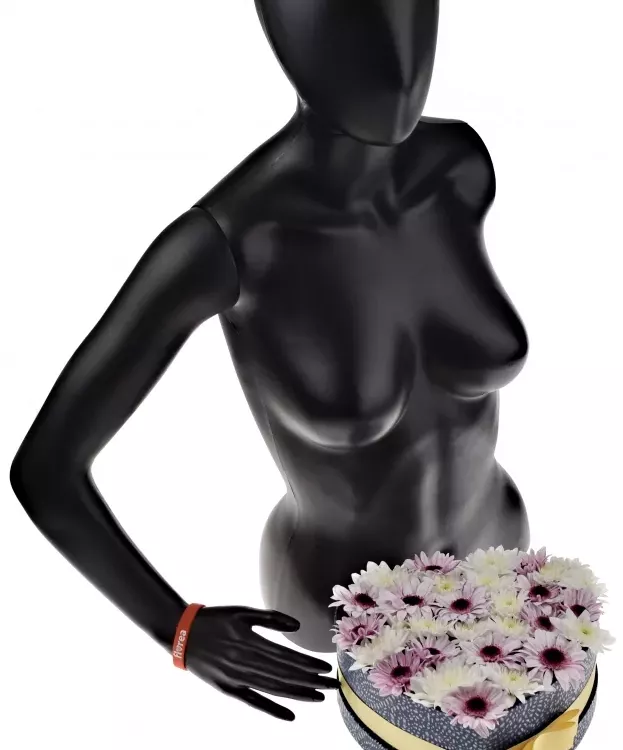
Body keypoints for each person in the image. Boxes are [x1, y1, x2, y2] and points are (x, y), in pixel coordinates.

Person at [10, 0, 529, 722]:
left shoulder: (458, 167)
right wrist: (180, 630)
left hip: (500, 557)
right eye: (355, 22)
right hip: (339, 611)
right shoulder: (228, 241)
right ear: (284, 26)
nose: (400, 64)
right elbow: (46, 468)